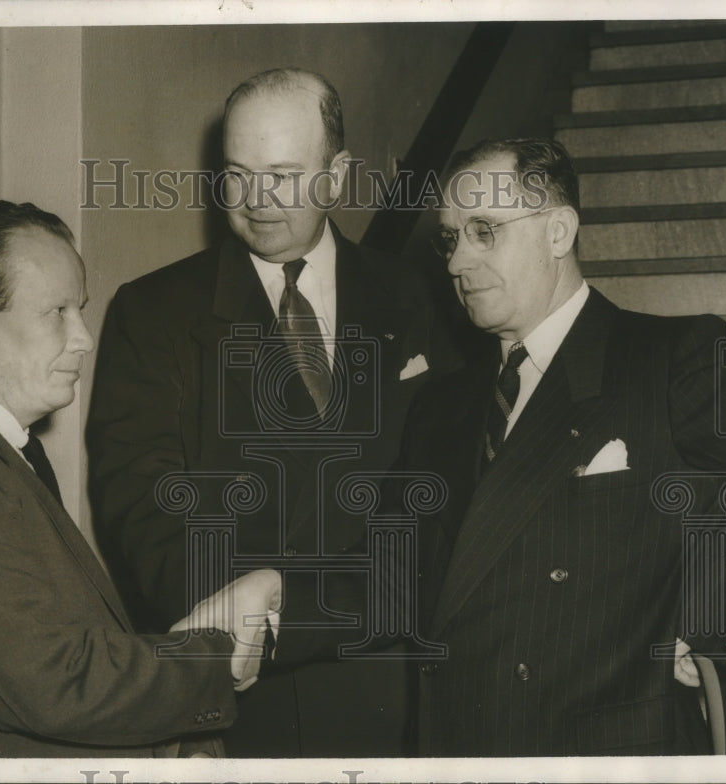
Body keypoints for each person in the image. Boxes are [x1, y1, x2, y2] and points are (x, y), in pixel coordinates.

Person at [86, 68, 456, 757]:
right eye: (237, 174)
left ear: (337, 174)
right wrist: (232, 637)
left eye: (283, 176)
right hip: (238, 697)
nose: (255, 201)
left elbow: (439, 502)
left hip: (401, 688)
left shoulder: (420, 298)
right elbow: (140, 508)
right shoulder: (153, 311)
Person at [381, 138, 726, 755]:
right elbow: (388, 571)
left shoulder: (676, 356)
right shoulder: (438, 408)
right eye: (450, 237)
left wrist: (712, 627)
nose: (457, 261)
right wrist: (274, 600)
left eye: (484, 230)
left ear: (559, 231)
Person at [0, 200, 270, 757]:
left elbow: (63, 646)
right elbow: (59, 683)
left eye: (82, 310)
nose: (84, 338)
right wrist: (222, 652)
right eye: (58, 312)